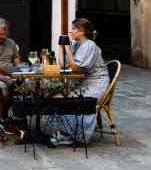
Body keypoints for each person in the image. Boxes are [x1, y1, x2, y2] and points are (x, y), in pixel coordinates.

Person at [44, 18, 110, 146]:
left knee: (69, 100)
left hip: (95, 83)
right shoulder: (77, 44)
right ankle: (65, 131)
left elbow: (76, 68)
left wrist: (68, 47)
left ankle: (75, 134)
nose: (71, 32)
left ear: (82, 31)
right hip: (83, 82)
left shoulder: (89, 46)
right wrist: (61, 46)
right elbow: (63, 65)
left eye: (73, 29)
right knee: (56, 96)